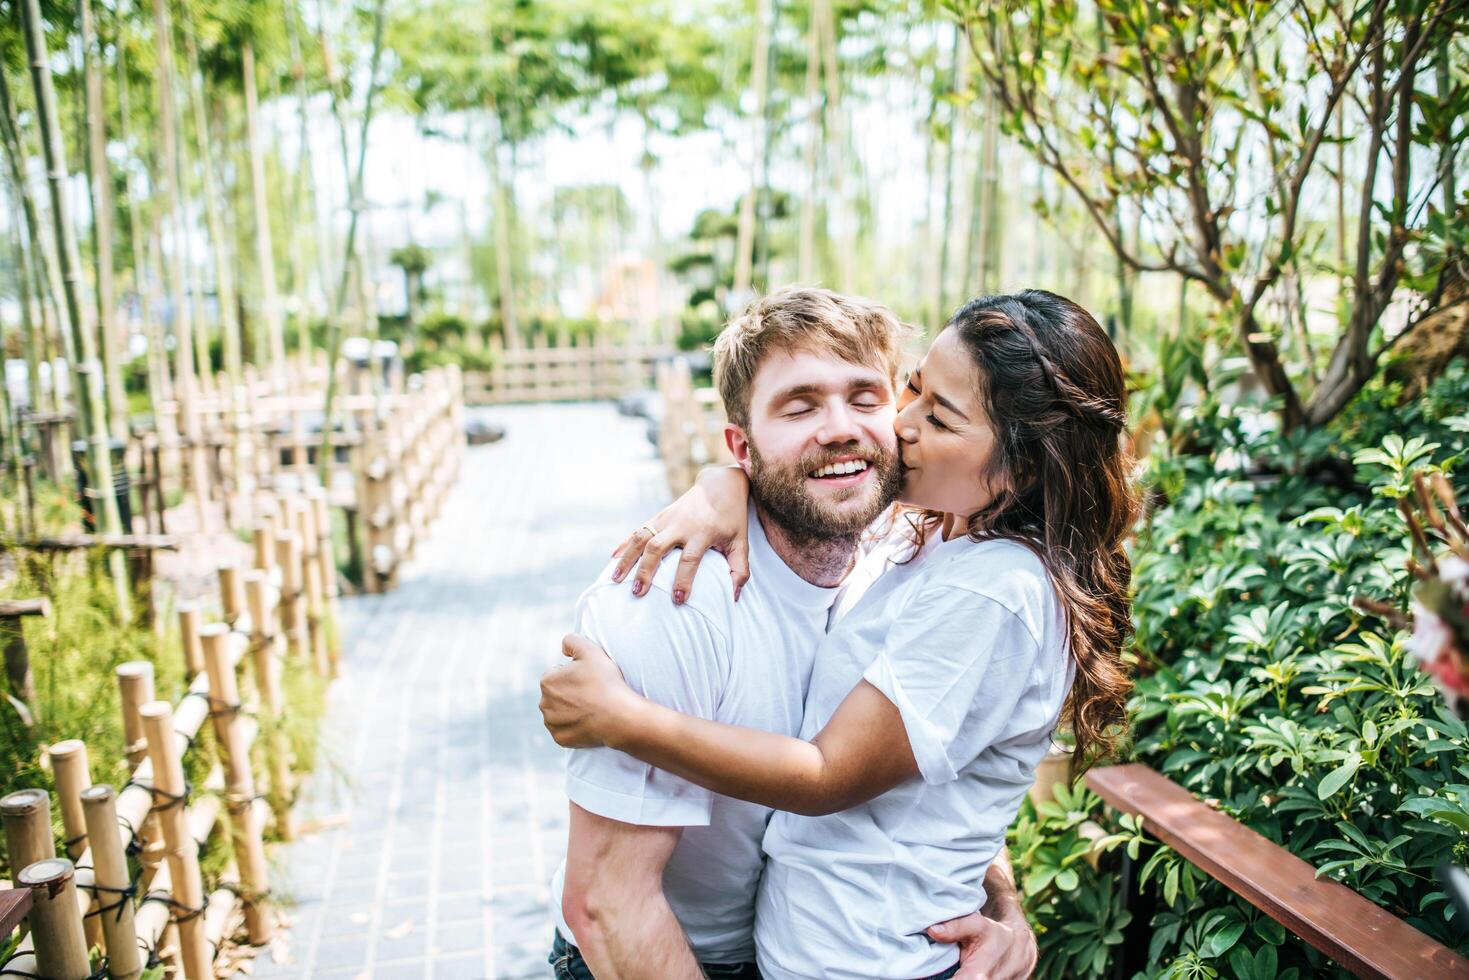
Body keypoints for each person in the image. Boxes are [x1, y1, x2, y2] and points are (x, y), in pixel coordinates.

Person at [543, 289, 1137, 979]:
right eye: (799, 407)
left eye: (867, 397)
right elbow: (607, 905)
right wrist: (720, 486)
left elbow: (893, 779)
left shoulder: (939, 564)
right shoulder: (674, 598)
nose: (849, 429)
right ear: (742, 445)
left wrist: (1002, 904)